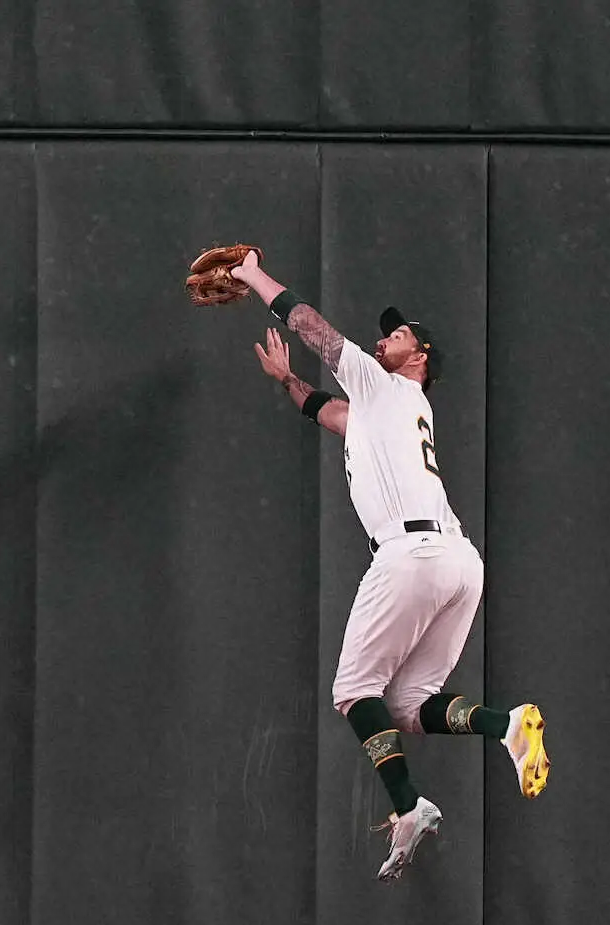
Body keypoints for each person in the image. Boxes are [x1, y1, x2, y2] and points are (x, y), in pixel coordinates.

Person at [230, 250, 550, 881]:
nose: (384, 338)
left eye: (398, 334)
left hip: (410, 556)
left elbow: (312, 327)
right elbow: (326, 412)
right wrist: (287, 382)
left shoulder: (387, 384)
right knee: (407, 704)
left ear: (420, 357)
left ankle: (408, 805)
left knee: (353, 692)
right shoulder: (386, 410)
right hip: (459, 563)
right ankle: (507, 726)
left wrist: (252, 275)